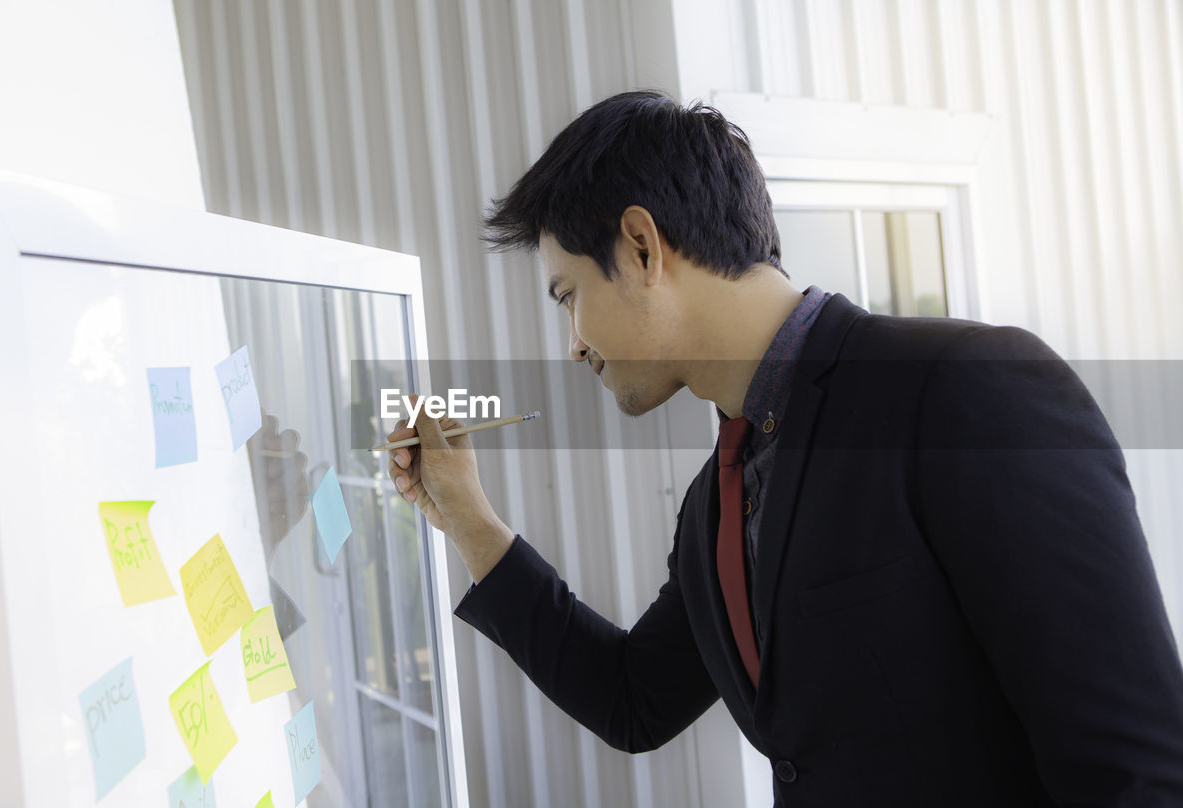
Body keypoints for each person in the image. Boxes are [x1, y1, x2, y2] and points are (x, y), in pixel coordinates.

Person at [385, 90, 1183, 806]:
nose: (573, 344)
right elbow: (634, 700)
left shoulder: (967, 388)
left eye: (569, 297)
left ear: (640, 246)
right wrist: (467, 520)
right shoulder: (714, 505)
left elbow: (1135, 770)